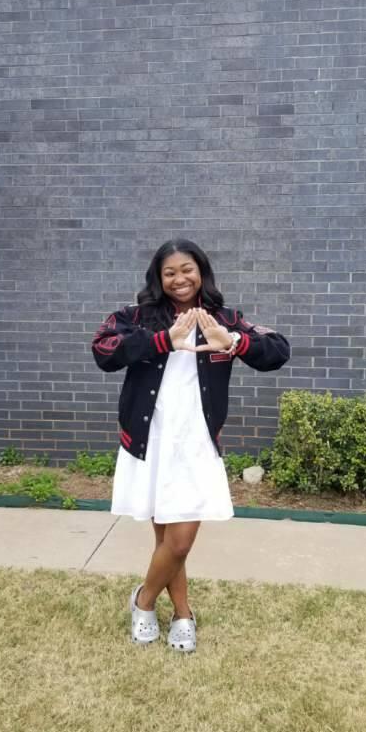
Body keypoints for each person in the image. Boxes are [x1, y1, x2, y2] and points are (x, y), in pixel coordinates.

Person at [92, 240, 290, 653]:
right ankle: (183, 615)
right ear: (158, 277)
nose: (179, 279)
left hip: (197, 445)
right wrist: (162, 340)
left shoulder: (224, 318)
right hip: (150, 442)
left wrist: (232, 341)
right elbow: (104, 351)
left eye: (187, 270)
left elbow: (277, 350)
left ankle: (143, 600)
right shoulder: (136, 317)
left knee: (179, 541)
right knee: (167, 540)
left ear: (201, 272)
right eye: (169, 272)